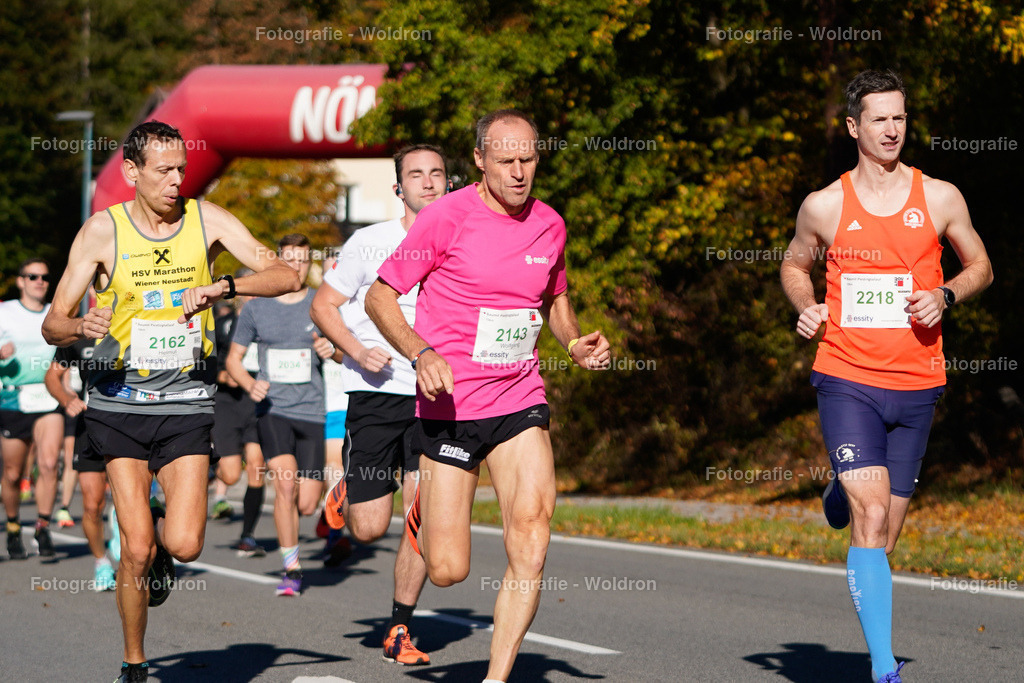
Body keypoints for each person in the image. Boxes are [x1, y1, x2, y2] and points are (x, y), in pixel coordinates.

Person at [41, 120, 301, 683]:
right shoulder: (101, 233)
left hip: (186, 402)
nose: (177, 180)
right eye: (164, 170)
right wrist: (80, 324)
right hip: (119, 404)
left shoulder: (207, 220)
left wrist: (222, 287)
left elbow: (284, 272)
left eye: (182, 168)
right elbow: (51, 324)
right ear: (132, 173)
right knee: (133, 550)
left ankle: (163, 547)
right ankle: (135, 664)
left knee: (183, 544)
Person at [365, 110, 610, 682]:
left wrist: (574, 343)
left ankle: (496, 677)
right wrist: (421, 352)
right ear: (479, 160)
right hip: (450, 406)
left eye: (529, 159)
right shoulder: (444, 218)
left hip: (519, 398)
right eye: (506, 161)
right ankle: (424, 508)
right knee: (447, 569)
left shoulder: (550, 224)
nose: (520, 172)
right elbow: (381, 297)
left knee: (532, 534)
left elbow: (555, 299)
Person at [780, 70, 993, 683]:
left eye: (899, 117)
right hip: (846, 377)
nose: (892, 128)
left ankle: (839, 489)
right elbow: (795, 266)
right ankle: (882, 668)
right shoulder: (824, 205)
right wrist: (807, 306)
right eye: (879, 118)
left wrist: (947, 295)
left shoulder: (940, 197)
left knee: (885, 536)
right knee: (871, 517)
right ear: (854, 127)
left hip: (918, 383)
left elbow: (981, 264)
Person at [312, 143, 450, 665]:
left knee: (423, 511)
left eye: (437, 174)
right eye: (417, 175)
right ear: (399, 188)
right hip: (376, 391)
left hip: (436, 397)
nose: (429, 183)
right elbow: (322, 305)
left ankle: (400, 628)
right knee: (368, 527)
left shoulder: (462, 240)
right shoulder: (369, 242)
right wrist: (355, 349)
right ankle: (348, 487)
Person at [225, 233, 341, 596]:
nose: (297, 267)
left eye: (303, 261)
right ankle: (291, 568)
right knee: (285, 487)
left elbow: (343, 353)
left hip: (312, 412)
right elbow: (233, 360)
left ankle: (316, 518)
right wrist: (249, 383)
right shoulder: (257, 308)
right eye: (290, 260)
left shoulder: (319, 304)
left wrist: (331, 349)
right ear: (278, 261)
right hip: (273, 410)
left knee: (307, 503)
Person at [1, 258, 63, 561]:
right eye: (33, 276)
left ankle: (42, 526)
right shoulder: (5, 312)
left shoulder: (56, 313)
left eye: (45, 277)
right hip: (14, 398)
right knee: (12, 473)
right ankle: (13, 525)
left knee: (50, 463)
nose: (40, 281)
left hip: (49, 396)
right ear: (21, 281)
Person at [44, 336, 117, 590]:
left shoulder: (136, 319)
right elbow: (52, 377)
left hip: (130, 424)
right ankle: (101, 563)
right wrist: (67, 400)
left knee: (134, 497)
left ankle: (130, 540)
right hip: (89, 426)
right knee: (92, 504)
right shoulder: (77, 333)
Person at [210, 271, 268, 556]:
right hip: (228, 403)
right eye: (250, 290)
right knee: (231, 475)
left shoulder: (270, 325)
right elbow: (205, 363)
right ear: (239, 294)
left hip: (258, 404)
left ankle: (248, 534)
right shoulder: (222, 324)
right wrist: (223, 375)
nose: (254, 295)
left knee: (257, 465)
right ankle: (211, 468)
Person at [315, 246, 351, 568]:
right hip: (322, 403)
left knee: (339, 469)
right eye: (329, 271)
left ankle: (335, 530)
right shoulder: (314, 309)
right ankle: (330, 521)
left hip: (354, 401)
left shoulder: (365, 306)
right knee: (329, 471)